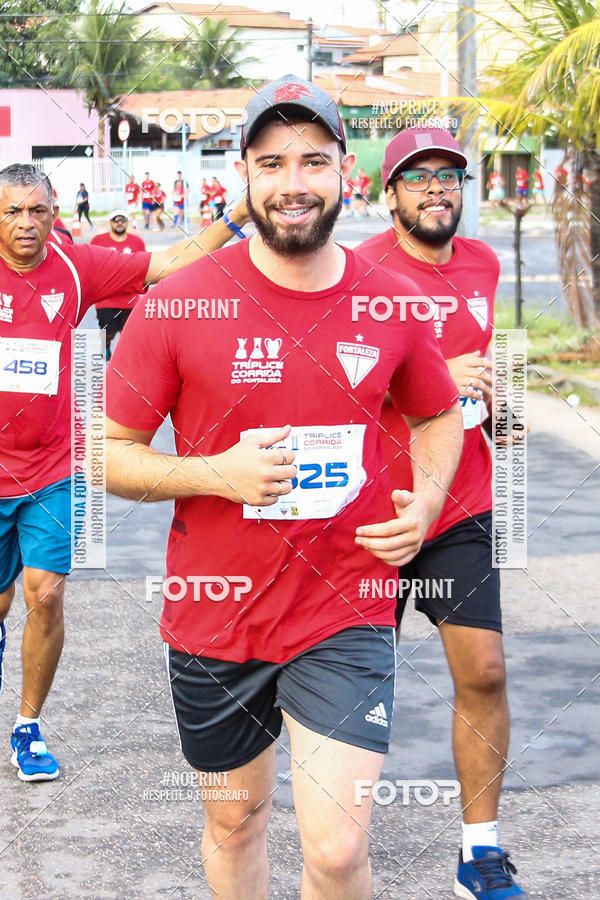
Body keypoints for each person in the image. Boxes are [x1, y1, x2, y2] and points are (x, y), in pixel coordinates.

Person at [103, 74, 463, 900]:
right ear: (245, 176)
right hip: (214, 612)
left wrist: (431, 500)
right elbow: (109, 454)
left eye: (312, 161)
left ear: (346, 173)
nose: (292, 183)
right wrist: (215, 475)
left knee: (336, 850)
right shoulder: (181, 302)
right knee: (236, 824)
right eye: (270, 164)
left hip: (346, 607)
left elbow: (440, 414)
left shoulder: (392, 301)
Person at [0, 163, 250, 782]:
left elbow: (168, 263)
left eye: (37, 210)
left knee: (47, 595)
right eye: (12, 212)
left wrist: (235, 217)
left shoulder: (76, 266)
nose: (26, 224)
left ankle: (28, 726)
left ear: (56, 212)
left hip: (57, 464)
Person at [357, 126, 525, 899]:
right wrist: (430, 377)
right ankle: (340, 846)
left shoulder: (483, 264)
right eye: (418, 178)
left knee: (484, 672)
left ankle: (480, 853)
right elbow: (330, 387)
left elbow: (488, 376)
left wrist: (498, 408)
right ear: (388, 193)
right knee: (357, 689)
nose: (436, 191)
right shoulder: (357, 272)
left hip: (461, 503)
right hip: (374, 513)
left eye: (448, 178)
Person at [90, 210, 146, 360]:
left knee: (129, 335)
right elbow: (91, 265)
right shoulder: (98, 241)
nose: (119, 223)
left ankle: (124, 362)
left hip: (130, 299)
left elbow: (143, 265)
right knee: (109, 332)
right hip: (106, 299)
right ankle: (106, 346)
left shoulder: (137, 242)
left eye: (123, 220)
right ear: (110, 222)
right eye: (116, 220)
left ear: (127, 222)